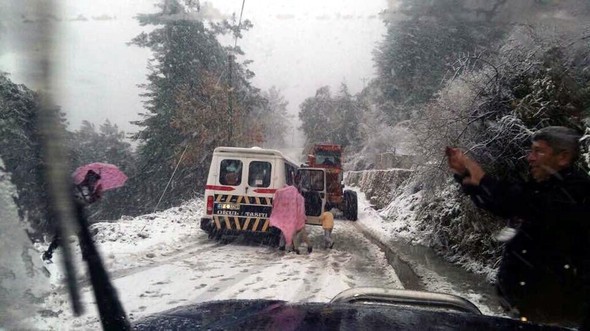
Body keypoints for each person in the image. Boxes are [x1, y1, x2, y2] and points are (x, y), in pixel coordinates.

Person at [446, 126, 590, 326]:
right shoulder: (545, 187)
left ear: (563, 157)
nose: (530, 158)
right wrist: (466, 176)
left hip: (559, 319)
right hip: (531, 314)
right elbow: (502, 202)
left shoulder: (576, 193)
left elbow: (523, 203)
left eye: (538, 151)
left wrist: (482, 180)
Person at [42, 170, 103, 261]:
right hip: (70, 216)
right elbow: (85, 201)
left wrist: (96, 195)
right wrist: (96, 195)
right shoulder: (85, 188)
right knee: (78, 236)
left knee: (62, 237)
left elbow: (85, 201)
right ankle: (85, 257)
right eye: (95, 180)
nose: (95, 183)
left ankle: (48, 254)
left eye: (96, 181)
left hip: (69, 215)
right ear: (91, 179)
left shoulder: (83, 187)